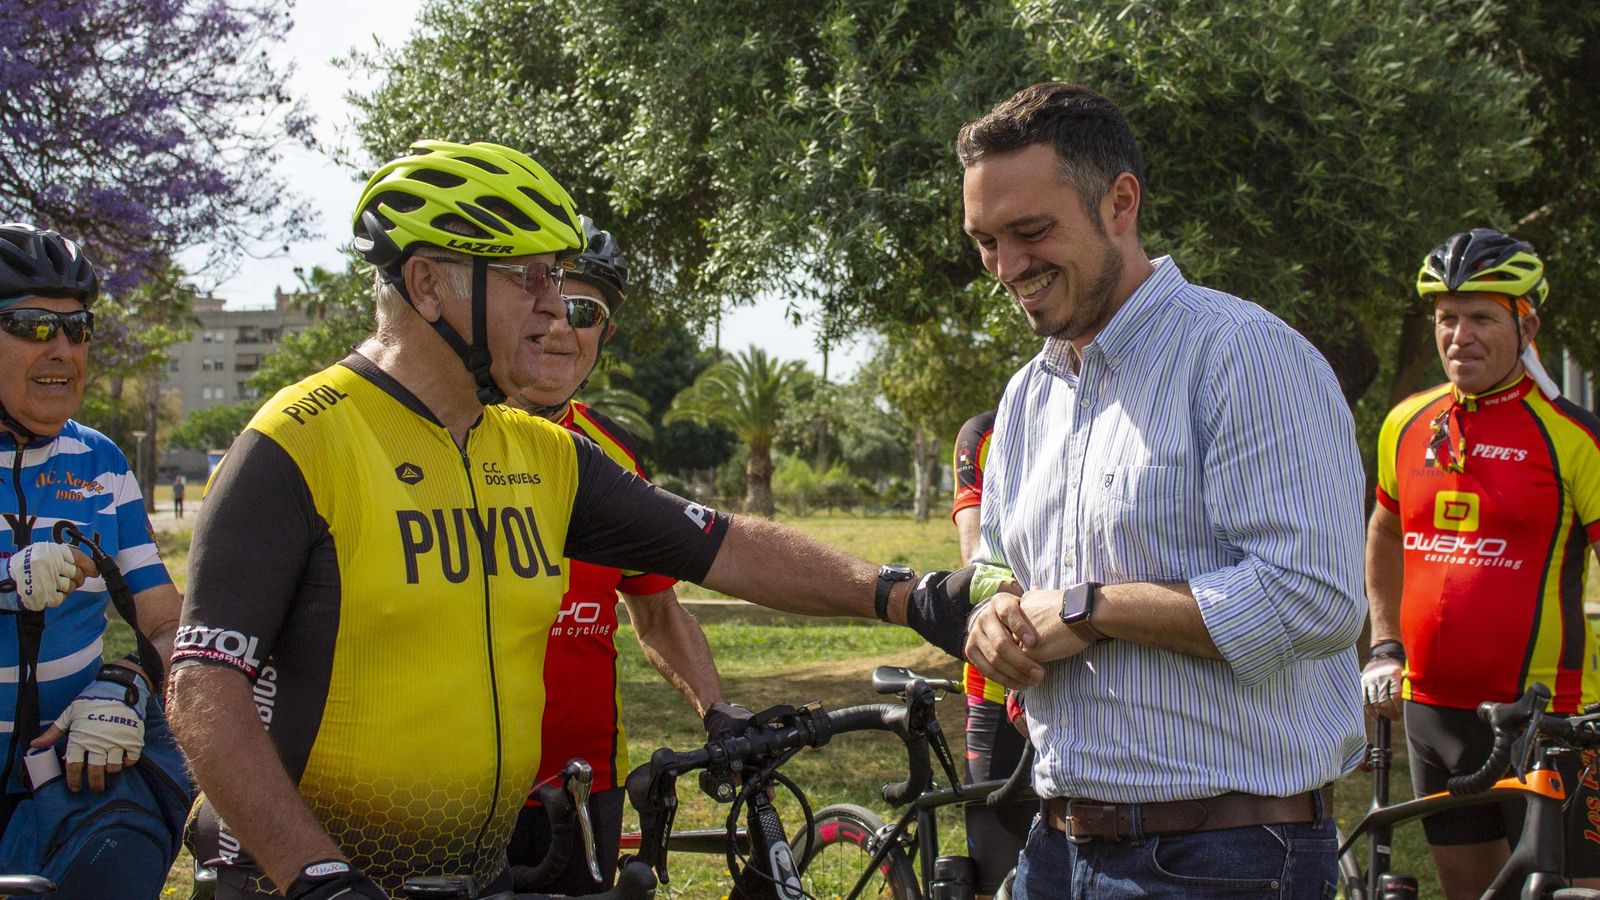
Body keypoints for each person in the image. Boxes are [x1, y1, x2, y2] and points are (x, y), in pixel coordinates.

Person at [165, 141, 971, 900]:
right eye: (529, 279)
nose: (556, 312)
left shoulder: (543, 453)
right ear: (425, 284)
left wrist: (911, 594)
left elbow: (724, 546)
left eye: (559, 281)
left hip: (482, 871)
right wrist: (316, 879)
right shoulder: (296, 443)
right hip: (308, 878)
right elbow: (202, 688)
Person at [957, 83, 1366, 899]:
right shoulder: (1028, 397)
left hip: (1227, 856)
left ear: (1120, 202)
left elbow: (1315, 598)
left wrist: (1089, 607)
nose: (1007, 269)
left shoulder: (1243, 355)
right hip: (1055, 843)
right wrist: (993, 614)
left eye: (1031, 232)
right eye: (985, 242)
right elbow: (1000, 561)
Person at [1363, 228, 1600, 899]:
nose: (1458, 336)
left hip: (1554, 721)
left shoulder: (1574, 438)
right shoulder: (1406, 424)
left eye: (1480, 318)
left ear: (1526, 325)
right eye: (1446, 318)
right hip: (1434, 715)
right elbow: (1384, 532)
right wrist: (1385, 645)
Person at [503, 217, 727, 894]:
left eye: (584, 311)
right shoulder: (436, 439)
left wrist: (716, 713)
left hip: (582, 782)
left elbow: (656, 610)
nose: (560, 327)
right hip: (451, 785)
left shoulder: (615, 453)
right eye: (539, 302)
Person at [0, 223, 186, 896]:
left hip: (59, 784)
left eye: (77, 329)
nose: (63, 350)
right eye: (31, 325)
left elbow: (171, 625)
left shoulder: (102, 464)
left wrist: (128, 681)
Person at [951, 409, 1029, 898]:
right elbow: (978, 560)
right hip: (998, 684)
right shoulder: (983, 432)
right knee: (994, 864)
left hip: (1092, 684)